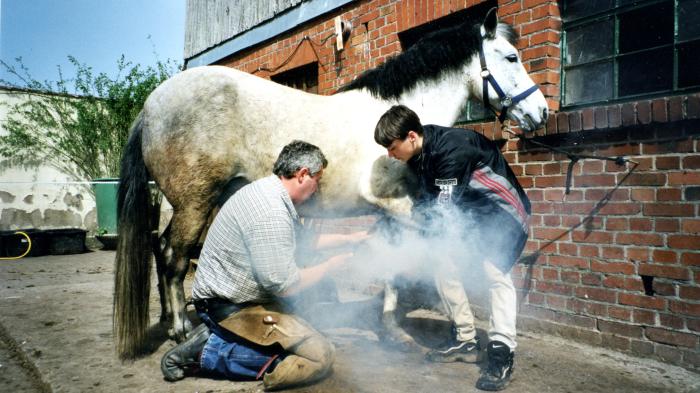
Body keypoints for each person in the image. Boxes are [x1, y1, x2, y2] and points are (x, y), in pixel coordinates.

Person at [161, 140, 368, 390]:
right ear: (303, 175)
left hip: (235, 298)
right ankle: (206, 351)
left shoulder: (271, 192)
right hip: (229, 308)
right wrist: (331, 265)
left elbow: (306, 241)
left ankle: (220, 337)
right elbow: (286, 286)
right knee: (318, 356)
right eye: (317, 180)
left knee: (310, 323)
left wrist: (351, 238)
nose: (317, 188)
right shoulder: (271, 212)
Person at [373, 105, 530, 391]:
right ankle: (466, 340)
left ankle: (501, 351)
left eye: (392, 147)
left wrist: (411, 244)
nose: (389, 155)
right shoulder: (418, 154)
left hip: (503, 212)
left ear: (410, 136)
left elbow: (443, 211)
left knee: (495, 273)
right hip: (470, 212)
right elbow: (426, 202)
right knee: (443, 263)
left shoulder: (452, 150)